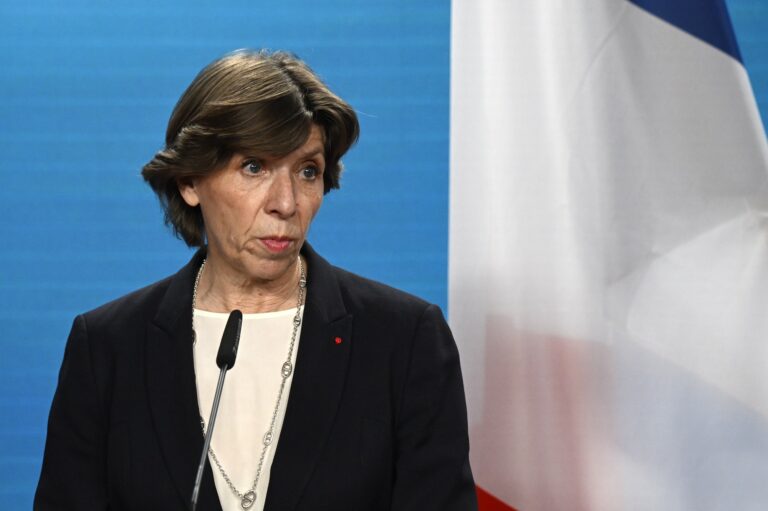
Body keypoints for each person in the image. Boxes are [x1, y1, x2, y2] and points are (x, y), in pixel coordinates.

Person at [34, 49, 477, 511]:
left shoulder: (403, 340)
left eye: (308, 171)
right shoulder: (108, 348)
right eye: (254, 167)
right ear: (189, 181)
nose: (286, 203)